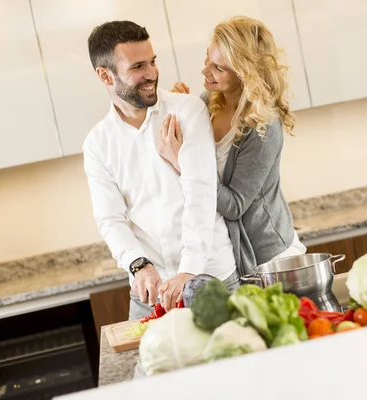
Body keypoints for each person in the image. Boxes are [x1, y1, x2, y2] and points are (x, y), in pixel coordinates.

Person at [83, 20, 238, 321]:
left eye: (152, 61)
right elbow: (110, 218)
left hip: (211, 278)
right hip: (150, 293)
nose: (152, 74)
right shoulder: (97, 143)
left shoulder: (187, 110)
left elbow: (201, 193)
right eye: (137, 66)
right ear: (105, 75)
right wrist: (138, 264)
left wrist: (188, 271)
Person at [159, 16, 306, 276]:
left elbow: (235, 205)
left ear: (245, 72)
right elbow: (191, 158)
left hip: (269, 258)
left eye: (219, 67)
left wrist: (183, 163)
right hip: (233, 253)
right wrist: (181, 113)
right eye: (207, 58)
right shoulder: (207, 101)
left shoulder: (263, 126)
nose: (205, 71)